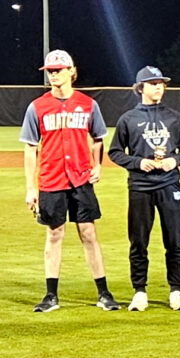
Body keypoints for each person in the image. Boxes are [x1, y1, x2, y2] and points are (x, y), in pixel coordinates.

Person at [21, 49, 119, 312]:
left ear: (71, 71)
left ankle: (104, 293)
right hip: (52, 180)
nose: (53, 75)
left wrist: (98, 165)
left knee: (88, 232)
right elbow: (30, 148)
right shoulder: (37, 107)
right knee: (54, 233)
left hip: (80, 179)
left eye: (58, 70)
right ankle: (51, 295)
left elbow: (99, 137)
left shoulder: (88, 104)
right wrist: (31, 187)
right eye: (49, 71)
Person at [109, 66, 180, 311]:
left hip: (169, 184)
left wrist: (174, 160)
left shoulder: (175, 118)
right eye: (153, 83)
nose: (158, 87)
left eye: (161, 83)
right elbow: (114, 152)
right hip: (140, 187)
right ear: (141, 87)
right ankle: (140, 291)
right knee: (138, 242)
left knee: (174, 240)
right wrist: (137, 162)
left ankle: (176, 290)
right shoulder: (128, 119)